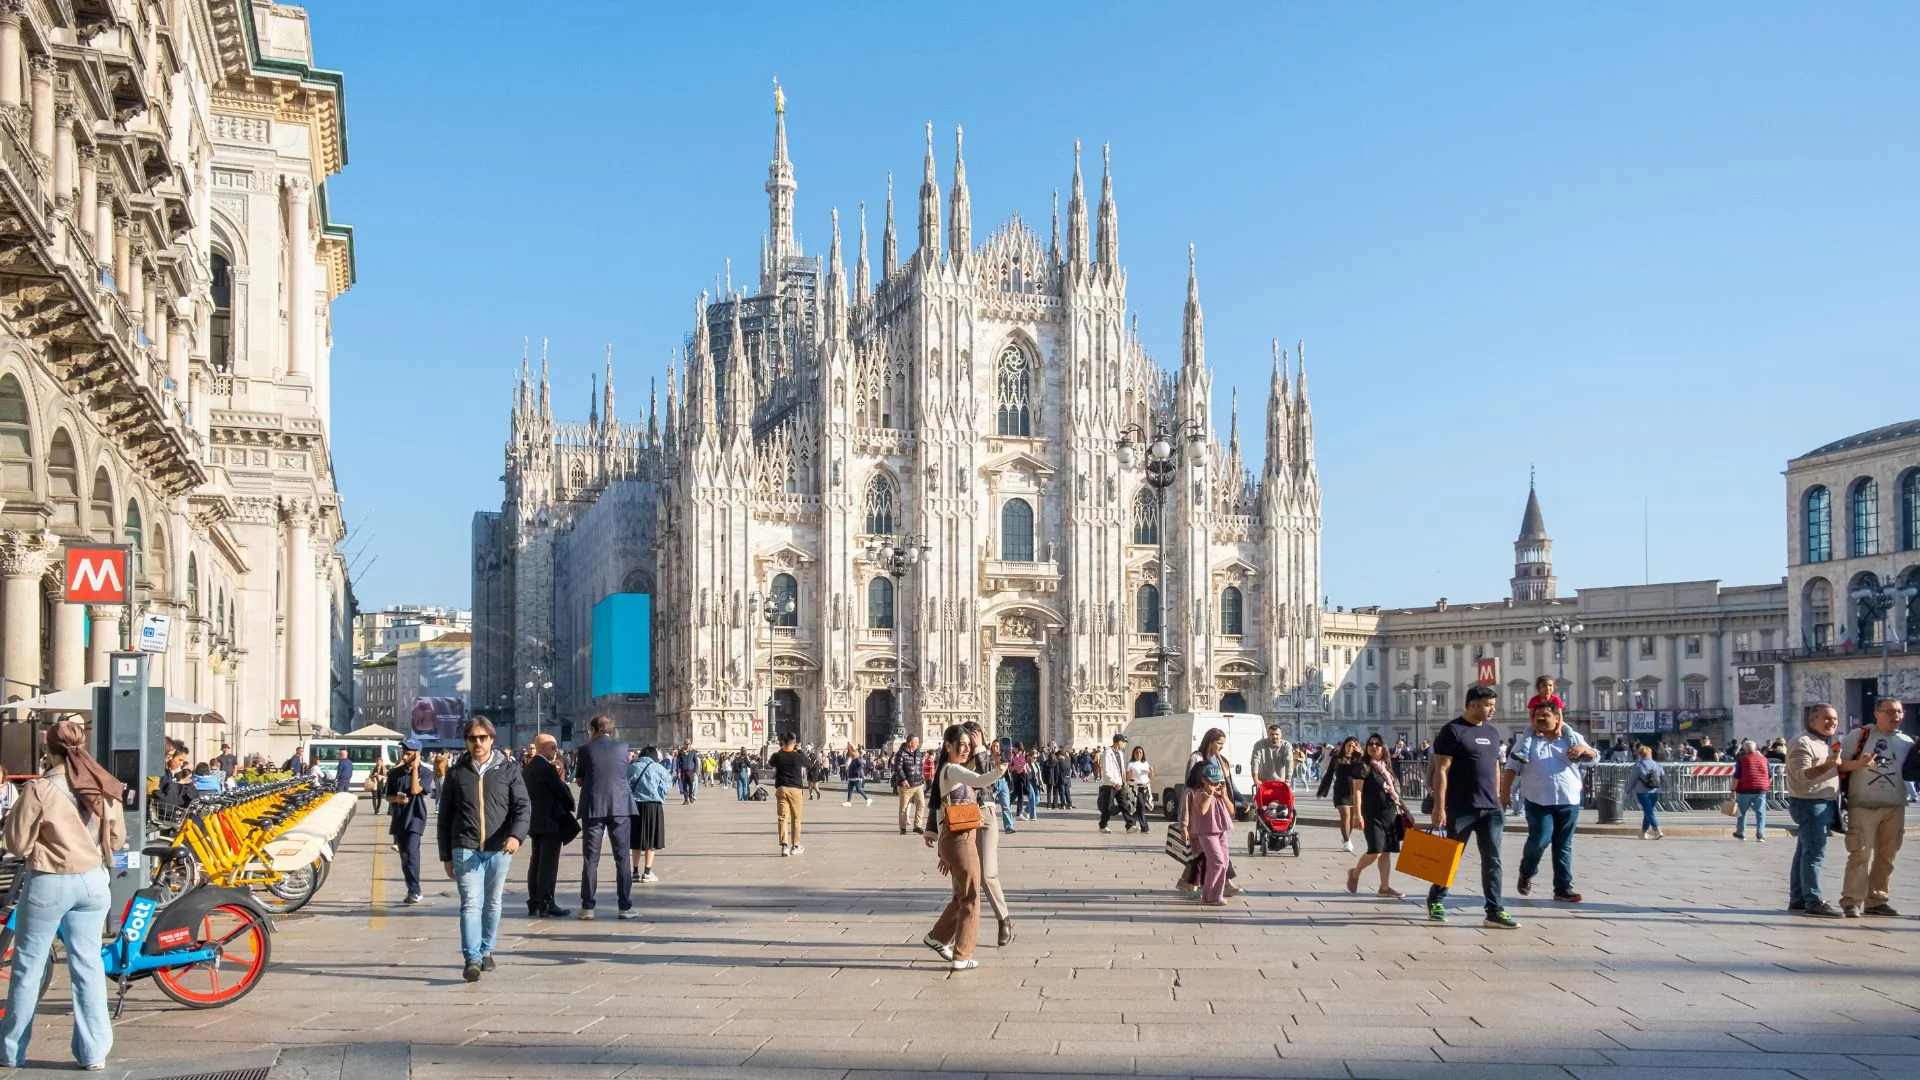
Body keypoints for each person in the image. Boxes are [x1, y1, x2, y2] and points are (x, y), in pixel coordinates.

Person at [0, 720, 125, 1070]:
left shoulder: (41, 789)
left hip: (51, 880)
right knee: (87, 966)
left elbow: (16, 843)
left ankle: (11, 1050)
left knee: (28, 967)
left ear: (48, 750)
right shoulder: (100, 783)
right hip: (94, 882)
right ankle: (93, 1054)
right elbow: (116, 840)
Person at [437, 716, 531, 981]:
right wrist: (446, 854)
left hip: (500, 848)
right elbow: (445, 817)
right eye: (471, 738)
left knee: (493, 903)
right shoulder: (456, 773)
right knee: (470, 903)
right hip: (465, 846)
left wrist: (516, 836)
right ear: (465, 741)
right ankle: (472, 958)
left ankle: (487, 949)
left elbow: (523, 806)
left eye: (482, 737)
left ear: (492, 738)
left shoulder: (509, 770)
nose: (477, 743)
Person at [1426, 685, 1518, 929]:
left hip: (1491, 809)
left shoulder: (1492, 732)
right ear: (1474, 704)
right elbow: (1441, 771)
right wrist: (1439, 807)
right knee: (1450, 857)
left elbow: (1496, 766)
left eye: (1492, 705)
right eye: (1488, 705)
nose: (1492, 710)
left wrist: (1499, 796)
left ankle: (1494, 910)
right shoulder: (1452, 731)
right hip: (1461, 807)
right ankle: (1436, 899)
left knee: (1493, 859)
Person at [922, 724, 1007, 971]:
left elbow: (941, 809)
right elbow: (982, 780)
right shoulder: (952, 770)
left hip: (956, 838)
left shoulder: (947, 770)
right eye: (962, 745)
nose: (966, 749)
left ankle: (937, 937)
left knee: (961, 895)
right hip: (960, 839)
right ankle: (962, 955)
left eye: (968, 745)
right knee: (970, 896)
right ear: (948, 746)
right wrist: (999, 768)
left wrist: (942, 846)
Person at [1504, 702, 1595, 903]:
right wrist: (1504, 794)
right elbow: (1511, 766)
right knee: (1540, 840)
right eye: (1537, 715)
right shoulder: (1528, 741)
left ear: (1557, 718)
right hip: (1538, 800)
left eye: (1545, 714)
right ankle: (1527, 871)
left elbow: (1594, 757)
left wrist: (1583, 749)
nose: (1541, 718)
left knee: (1563, 845)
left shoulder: (1570, 738)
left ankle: (1563, 888)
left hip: (1568, 800)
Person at [1785, 702, 1868, 917]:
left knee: (1803, 851)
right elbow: (1803, 775)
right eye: (1826, 718)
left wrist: (1860, 764)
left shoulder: (1825, 742)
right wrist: (1828, 765)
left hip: (1824, 800)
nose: (1832, 722)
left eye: (1834, 718)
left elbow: (1837, 764)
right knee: (1814, 854)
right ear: (1813, 720)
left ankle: (1798, 898)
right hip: (1810, 802)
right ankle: (1813, 901)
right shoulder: (1802, 742)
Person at [1838, 699, 1911, 917]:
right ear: (1876, 713)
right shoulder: (1859, 736)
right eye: (1889, 711)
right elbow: (1838, 763)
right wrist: (1859, 764)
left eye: (1899, 711)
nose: (1895, 715)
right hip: (1863, 804)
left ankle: (1877, 899)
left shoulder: (1906, 741)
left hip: (1895, 805)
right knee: (1859, 853)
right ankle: (1851, 901)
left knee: (1887, 856)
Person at [575, 715, 637, 921]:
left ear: (594, 729)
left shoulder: (585, 750)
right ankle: (625, 907)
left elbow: (580, 778)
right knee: (622, 859)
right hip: (620, 808)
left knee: (591, 860)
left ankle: (588, 907)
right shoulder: (623, 747)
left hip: (594, 808)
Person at [1177, 728, 1242, 898]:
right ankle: (1209, 889)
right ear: (1210, 741)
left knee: (1213, 856)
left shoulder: (1220, 760)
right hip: (1201, 814)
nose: (1221, 747)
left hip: (1217, 813)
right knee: (1208, 856)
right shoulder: (1197, 758)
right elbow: (1190, 784)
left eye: (1222, 744)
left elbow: (1228, 783)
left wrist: (1240, 798)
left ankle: (1202, 885)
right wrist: (1185, 822)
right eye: (1219, 743)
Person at [521, 734, 575, 918]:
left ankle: (534, 902)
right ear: (542, 748)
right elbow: (562, 793)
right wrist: (570, 803)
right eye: (552, 747)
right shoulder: (547, 768)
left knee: (536, 862)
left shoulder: (528, 768)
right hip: (551, 822)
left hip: (534, 822)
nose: (556, 751)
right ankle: (546, 903)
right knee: (548, 865)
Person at [1345, 734, 1405, 898]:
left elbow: (1394, 791)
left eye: (1378, 744)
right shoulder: (1363, 766)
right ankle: (1355, 873)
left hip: (1390, 814)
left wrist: (1406, 811)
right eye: (1370, 744)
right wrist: (1357, 815)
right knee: (1376, 850)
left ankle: (1384, 887)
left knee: (1386, 852)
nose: (1374, 746)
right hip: (1372, 814)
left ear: (1383, 747)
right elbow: (1357, 792)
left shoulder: (1386, 766)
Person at [384, 737, 434, 906]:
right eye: (403, 753)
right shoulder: (395, 773)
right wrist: (396, 799)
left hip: (416, 817)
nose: (404, 756)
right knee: (404, 857)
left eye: (408, 753)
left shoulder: (425, 773)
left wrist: (415, 768)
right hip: (399, 818)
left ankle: (415, 891)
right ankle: (412, 888)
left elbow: (415, 789)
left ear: (416, 754)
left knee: (412, 853)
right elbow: (387, 797)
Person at [1185, 759, 1236, 905]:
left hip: (1220, 831)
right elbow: (1202, 810)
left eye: (1217, 782)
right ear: (1204, 780)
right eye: (1212, 782)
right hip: (1206, 832)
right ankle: (1209, 896)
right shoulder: (1199, 794)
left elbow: (1232, 810)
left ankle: (1216, 895)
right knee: (1217, 862)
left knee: (1224, 863)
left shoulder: (1220, 795)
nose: (1215, 785)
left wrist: (1224, 795)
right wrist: (1209, 793)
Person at [628, 744, 671, 883]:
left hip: (634, 805)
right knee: (651, 839)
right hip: (653, 806)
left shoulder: (632, 767)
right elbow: (667, 785)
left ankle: (634, 871)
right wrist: (658, 794)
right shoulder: (658, 768)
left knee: (635, 839)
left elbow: (624, 785)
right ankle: (647, 872)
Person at [1319, 736, 1365, 852]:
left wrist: (1361, 756)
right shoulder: (1336, 759)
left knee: (1351, 819)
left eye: (1353, 746)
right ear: (1344, 745)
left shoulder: (1359, 760)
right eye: (1348, 745)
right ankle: (1347, 841)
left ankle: (1346, 837)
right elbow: (1328, 775)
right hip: (1341, 791)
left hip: (1354, 791)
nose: (1350, 748)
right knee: (1345, 815)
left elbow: (1365, 771)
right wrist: (1322, 791)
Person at [770, 732, 810, 855]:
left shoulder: (777, 756)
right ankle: (795, 846)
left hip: (782, 789)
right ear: (794, 743)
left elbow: (771, 763)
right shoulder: (798, 756)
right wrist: (799, 750)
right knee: (796, 818)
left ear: (782, 742)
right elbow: (809, 764)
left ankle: (784, 847)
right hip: (796, 790)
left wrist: (781, 749)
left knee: (782, 817)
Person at [1731, 739, 1771, 841]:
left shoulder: (1742, 759)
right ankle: (1760, 835)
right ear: (1755, 748)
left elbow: (1737, 776)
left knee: (1742, 812)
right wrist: (1766, 786)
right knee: (1760, 812)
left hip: (1745, 789)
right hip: (1761, 789)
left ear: (1744, 749)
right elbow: (1770, 776)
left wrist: (1732, 790)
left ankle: (1740, 833)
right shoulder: (1764, 760)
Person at [1626, 745, 1665, 839]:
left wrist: (1627, 790)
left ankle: (1657, 829)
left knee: (1648, 811)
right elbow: (1663, 778)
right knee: (1648, 811)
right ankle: (1643, 832)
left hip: (1642, 791)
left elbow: (1632, 780)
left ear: (1640, 754)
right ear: (1650, 754)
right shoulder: (1657, 764)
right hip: (1655, 791)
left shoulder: (1638, 765)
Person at [894, 735, 927, 835]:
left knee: (921, 804)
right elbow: (898, 768)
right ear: (910, 743)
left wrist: (922, 780)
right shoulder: (901, 753)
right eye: (916, 742)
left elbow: (920, 767)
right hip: (906, 785)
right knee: (904, 806)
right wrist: (903, 779)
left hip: (918, 784)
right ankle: (903, 827)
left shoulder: (918, 752)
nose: (918, 744)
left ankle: (917, 826)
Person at [1097, 732, 1128, 833]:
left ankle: (1130, 825)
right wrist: (1114, 782)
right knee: (1107, 806)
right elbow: (1106, 771)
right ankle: (1103, 825)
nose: (1124, 744)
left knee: (1124, 804)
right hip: (1110, 784)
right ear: (1119, 742)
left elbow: (1121, 769)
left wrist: (1123, 781)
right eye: (1124, 742)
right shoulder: (1107, 753)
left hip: (1120, 783)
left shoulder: (1120, 753)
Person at [1124, 745, 1153, 834]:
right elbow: (1127, 778)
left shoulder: (1145, 763)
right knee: (1140, 805)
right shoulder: (1131, 764)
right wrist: (1129, 774)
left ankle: (1132, 825)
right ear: (1134, 754)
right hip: (1135, 788)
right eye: (1137, 752)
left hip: (1144, 787)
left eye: (1140, 752)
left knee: (1139, 807)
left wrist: (1152, 771)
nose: (1139, 754)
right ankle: (1144, 827)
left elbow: (1149, 776)